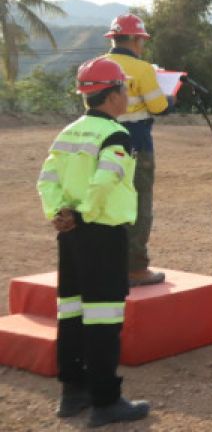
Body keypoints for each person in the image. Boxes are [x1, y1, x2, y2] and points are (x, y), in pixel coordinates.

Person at [37, 58, 151, 426]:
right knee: (104, 316)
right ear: (112, 95)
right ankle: (106, 400)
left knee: (70, 311)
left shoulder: (69, 132)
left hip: (68, 233)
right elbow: (105, 180)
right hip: (100, 232)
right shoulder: (116, 135)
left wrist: (61, 213)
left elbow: (47, 178)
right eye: (124, 88)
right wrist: (85, 213)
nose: (127, 95)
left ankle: (73, 391)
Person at [102, 13, 170, 288]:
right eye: (141, 39)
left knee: (107, 201)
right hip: (137, 145)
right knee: (140, 203)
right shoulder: (142, 70)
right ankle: (136, 267)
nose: (142, 45)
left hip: (103, 143)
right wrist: (171, 94)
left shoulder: (95, 66)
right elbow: (159, 107)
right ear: (132, 38)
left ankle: (107, 262)